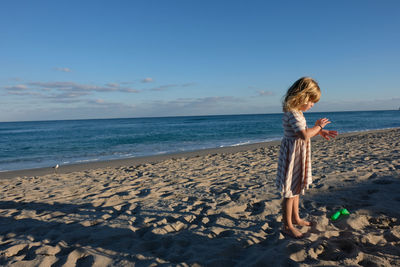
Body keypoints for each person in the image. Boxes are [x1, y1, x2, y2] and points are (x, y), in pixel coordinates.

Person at [276, 77, 338, 238]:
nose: (312, 105)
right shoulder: (293, 114)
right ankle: (287, 225)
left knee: (295, 188)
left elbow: (303, 132)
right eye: (311, 101)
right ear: (302, 96)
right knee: (290, 191)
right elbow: (303, 135)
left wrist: (319, 131)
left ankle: (295, 218)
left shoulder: (296, 112)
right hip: (292, 156)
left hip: (297, 154)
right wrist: (319, 127)